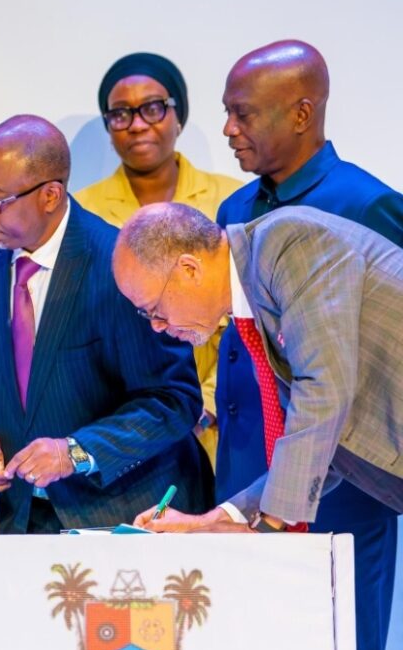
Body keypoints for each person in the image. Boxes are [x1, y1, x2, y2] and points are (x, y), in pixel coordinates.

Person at [215, 40, 402, 650]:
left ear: (301, 114)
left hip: (342, 486)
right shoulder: (234, 207)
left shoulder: (368, 204)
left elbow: (379, 374)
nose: (230, 130)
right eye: (226, 115)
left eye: (242, 115)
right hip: (246, 471)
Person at [0, 115, 207, 535]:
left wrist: (76, 452)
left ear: (50, 195)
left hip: (124, 514)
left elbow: (173, 400)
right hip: (22, 517)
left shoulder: (120, 264)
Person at [115, 203, 403, 524]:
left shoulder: (287, 242)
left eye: (153, 309)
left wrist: (271, 523)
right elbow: (323, 442)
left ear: (189, 269)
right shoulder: (255, 300)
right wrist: (219, 519)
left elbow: (324, 389)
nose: (156, 326)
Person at [75, 53, 241, 469]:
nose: (136, 123)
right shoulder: (83, 214)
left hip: (222, 422)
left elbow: (250, 317)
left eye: (152, 108)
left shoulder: (231, 201)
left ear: (178, 116)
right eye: (120, 114)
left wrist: (204, 403)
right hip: (124, 426)